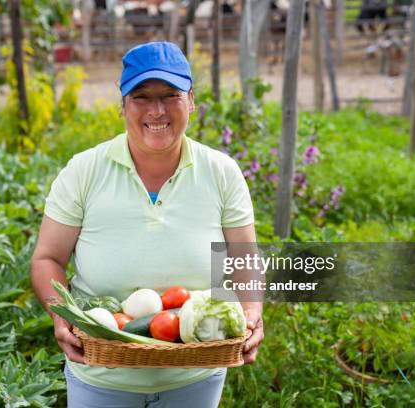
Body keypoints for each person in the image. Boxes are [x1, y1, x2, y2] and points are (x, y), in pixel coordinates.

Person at [31, 41, 263, 408]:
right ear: (122, 106)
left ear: (191, 102)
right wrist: (60, 316)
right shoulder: (83, 171)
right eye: (141, 96)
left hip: (196, 378)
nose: (157, 110)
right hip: (101, 378)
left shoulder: (222, 173)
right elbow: (47, 258)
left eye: (170, 95)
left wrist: (251, 313)